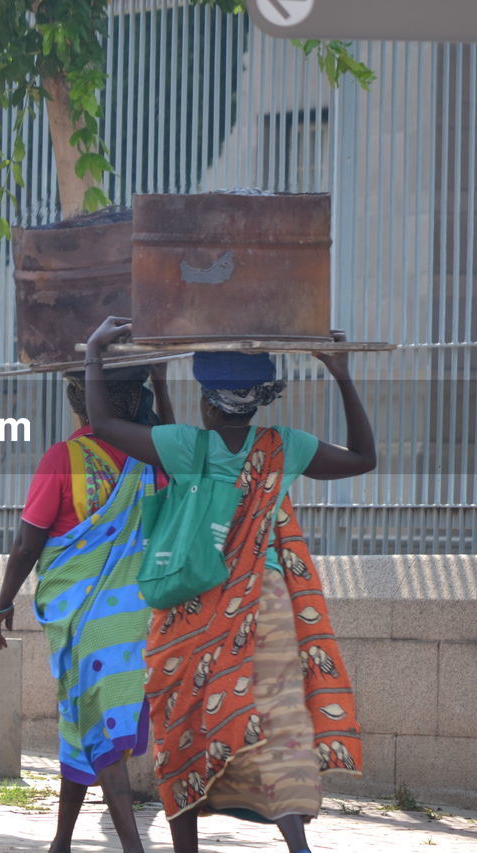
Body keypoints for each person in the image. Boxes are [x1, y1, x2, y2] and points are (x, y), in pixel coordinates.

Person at [83, 316, 375, 853]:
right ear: (258, 398)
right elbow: (362, 459)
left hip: (192, 608)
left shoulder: (182, 447)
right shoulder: (284, 445)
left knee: (182, 722)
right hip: (269, 609)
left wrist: (95, 354)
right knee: (277, 722)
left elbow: (102, 423)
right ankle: (296, 844)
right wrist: (340, 373)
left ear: (210, 400)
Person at [0, 364, 173, 853]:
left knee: (102, 732)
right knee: (84, 716)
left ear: (77, 398)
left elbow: (28, 543)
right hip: (137, 619)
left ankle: (132, 846)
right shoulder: (153, 458)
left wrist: (3, 602)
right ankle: (62, 840)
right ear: (136, 401)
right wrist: (162, 383)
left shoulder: (63, 458)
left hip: (84, 620)